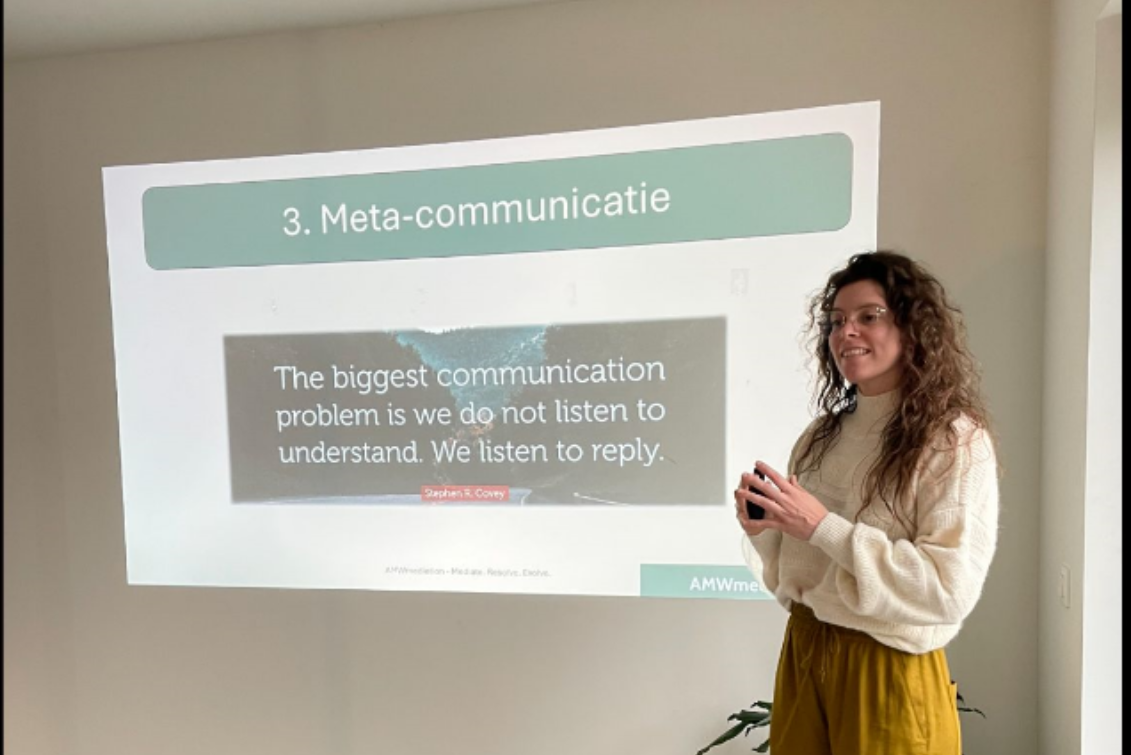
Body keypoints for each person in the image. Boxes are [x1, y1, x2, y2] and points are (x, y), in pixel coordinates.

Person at [734, 250, 999, 755]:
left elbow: (948, 590)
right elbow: (798, 571)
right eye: (836, 321)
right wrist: (767, 531)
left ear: (912, 328)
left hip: (888, 667)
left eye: (868, 316)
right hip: (805, 649)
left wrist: (821, 527)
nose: (846, 332)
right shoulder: (821, 436)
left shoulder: (953, 440)